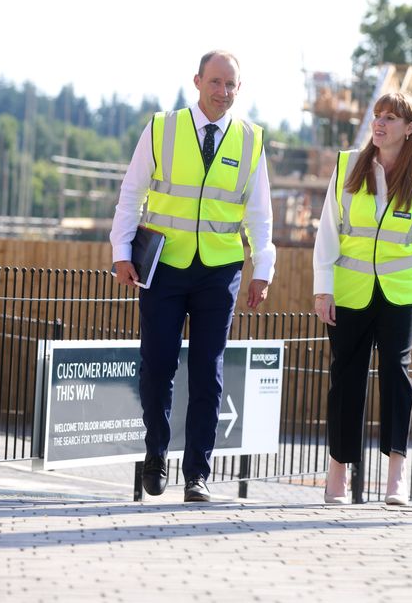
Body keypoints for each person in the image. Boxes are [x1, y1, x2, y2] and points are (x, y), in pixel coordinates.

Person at [111, 50, 275, 502]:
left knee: (208, 370)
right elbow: (132, 192)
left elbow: (260, 214)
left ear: (238, 90)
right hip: (163, 267)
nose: (223, 92)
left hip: (219, 270)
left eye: (231, 85)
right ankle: (156, 452)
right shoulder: (162, 128)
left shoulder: (251, 140)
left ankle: (197, 474)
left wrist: (263, 268)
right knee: (158, 364)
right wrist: (121, 251)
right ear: (198, 81)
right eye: (216, 82)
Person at [313, 91, 412, 506]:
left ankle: (396, 476)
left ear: (410, 129)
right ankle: (338, 473)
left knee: (395, 374)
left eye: (390, 117)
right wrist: (323, 286)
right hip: (350, 288)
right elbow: (328, 230)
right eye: (377, 115)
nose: (380, 123)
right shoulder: (348, 165)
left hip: (403, 291)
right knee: (345, 378)